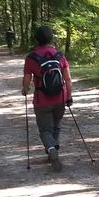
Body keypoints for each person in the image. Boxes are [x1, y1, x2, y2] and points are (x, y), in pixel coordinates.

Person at [22, 26, 73, 172]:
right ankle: (53, 150)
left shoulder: (31, 58)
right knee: (56, 125)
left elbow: (26, 79)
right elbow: (68, 79)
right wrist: (69, 97)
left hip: (42, 99)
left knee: (45, 129)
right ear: (51, 38)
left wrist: (25, 90)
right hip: (60, 97)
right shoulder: (59, 55)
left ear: (36, 40)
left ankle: (51, 150)